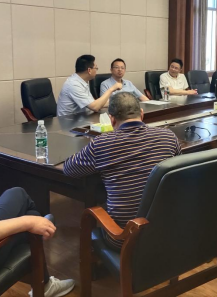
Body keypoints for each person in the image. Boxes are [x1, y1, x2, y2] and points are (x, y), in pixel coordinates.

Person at [63, 93, 181, 249]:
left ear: (111, 120)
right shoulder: (169, 137)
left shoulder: (102, 143)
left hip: (124, 237)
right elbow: (178, 169)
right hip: (167, 229)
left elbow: (69, 169)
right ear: (142, 114)